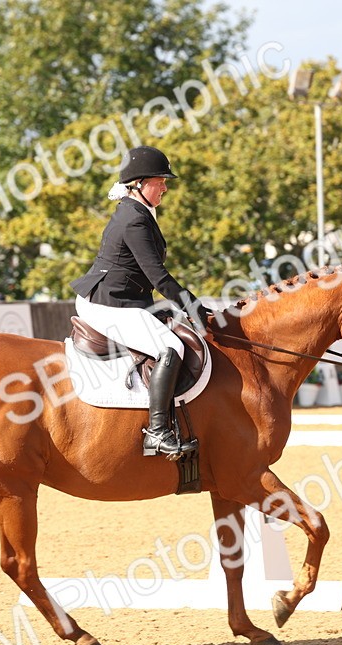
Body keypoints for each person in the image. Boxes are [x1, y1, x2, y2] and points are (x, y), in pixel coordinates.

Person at [71, 146, 201, 458]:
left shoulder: (139, 212)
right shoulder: (134, 219)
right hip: (109, 303)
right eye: (160, 182)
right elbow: (159, 277)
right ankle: (157, 432)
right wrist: (197, 308)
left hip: (126, 298)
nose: (165, 187)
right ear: (139, 184)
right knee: (170, 348)